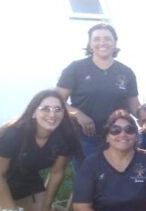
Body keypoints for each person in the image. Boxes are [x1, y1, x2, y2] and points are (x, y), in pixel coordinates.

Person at [57, 23, 140, 163]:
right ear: (90, 44)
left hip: (119, 136)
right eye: (96, 39)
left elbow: (134, 106)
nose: (102, 42)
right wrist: (78, 114)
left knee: (119, 179)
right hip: (86, 138)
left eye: (107, 39)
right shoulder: (75, 68)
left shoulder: (126, 72)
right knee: (89, 180)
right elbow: (57, 101)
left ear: (115, 43)